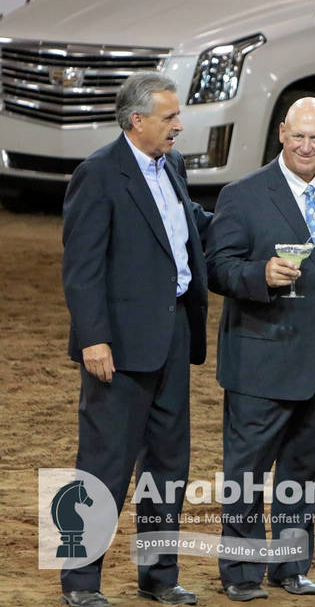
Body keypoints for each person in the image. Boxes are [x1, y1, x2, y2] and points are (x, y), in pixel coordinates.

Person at [59, 72, 211, 607]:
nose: (179, 126)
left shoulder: (172, 165)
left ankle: (159, 575)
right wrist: (93, 339)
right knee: (103, 461)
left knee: (168, 463)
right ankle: (79, 583)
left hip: (171, 334)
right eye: (170, 117)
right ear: (136, 120)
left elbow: (185, 231)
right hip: (118, 345)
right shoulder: (98, 174)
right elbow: (81, 269)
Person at [206, 97, 315, 602]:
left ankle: (290, 567)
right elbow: (217, 267)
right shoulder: (243, 195)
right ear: (281, 134)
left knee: (306, 475)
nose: (307, 146)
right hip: (261, 362)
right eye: (298, 136)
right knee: (246, 473)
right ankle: (242, 572)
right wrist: (259, 275)